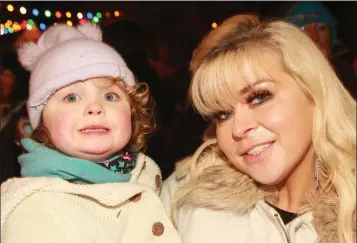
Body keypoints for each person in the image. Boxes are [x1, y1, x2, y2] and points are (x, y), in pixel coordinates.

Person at [160, 14, 356, 243]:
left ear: (313, 91)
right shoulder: (187, 194)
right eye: (222, 114)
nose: (238, 129)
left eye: (259, 97)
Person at [1, 23, 182, 243]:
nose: (94, 107)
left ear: (133, 113)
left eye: (109, 97)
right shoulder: (36, 210)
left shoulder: (142, 172)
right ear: (42, 123)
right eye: (71, 98)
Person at [286, 1, 356, 99]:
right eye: (303, 29)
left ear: (332, 37)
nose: (314, 37)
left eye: (321, 28)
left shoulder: (345, 71)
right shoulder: (285, 79)